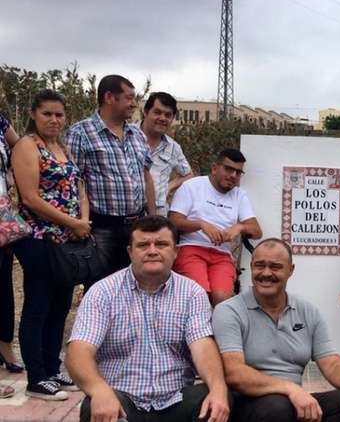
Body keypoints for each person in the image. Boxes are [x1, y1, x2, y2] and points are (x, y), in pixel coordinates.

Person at [65, 216, 230, 422]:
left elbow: (202, 347)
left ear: (175, 251)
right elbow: (79, 351)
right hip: (122, 401)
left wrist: (218, 388)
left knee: (213, 401)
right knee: (94, 406)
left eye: (161, 244)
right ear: (130, 252)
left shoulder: (192, 293)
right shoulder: (103, 292)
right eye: (143, 245)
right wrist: (99, 390)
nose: (152, 251)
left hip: (175, 400)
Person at [212, 238, 340, 422]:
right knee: (279, 408)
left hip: (293, 402)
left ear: (291, 270)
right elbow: (234, 372)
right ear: (251, 266)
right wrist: (290, 389)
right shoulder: (229, 311)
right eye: (259, 265)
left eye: (275, 267)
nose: (266, 273)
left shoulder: (307, 311)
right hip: (249, 402)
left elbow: (331, 363)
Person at [10, 90, 88, 400]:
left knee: (60, 307)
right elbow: (30, 198)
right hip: (38, 238)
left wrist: (83, 221)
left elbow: (79, 188)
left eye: (59, 114)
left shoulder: (61, 146)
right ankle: (37, 377)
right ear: (33, 114)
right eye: (47, 114)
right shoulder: (27, 146)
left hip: (66, 242)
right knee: (38, 306)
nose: (54, 120)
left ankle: (53, 369)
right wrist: (72, 223)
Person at [65, 74, 156, 280]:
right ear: (109, 97)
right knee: (100, 285)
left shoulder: (137, 134)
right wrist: (78, 223)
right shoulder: (80, 133)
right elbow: (73, 183)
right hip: (102, 228)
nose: (134, 104)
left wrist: (152, 219)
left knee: (134, 284)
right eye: (129, 98)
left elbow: (146, 176)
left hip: (137, 226)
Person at [169, 148, 262, 306]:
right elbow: (173, 221)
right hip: (191, 248)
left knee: (223, 300)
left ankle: (220, 323)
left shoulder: (239, 195)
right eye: (228, 169)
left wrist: (239, 227)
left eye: (238, 172)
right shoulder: (192, 186)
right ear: (214, 168)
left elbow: (256, 231)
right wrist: (201, 224)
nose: (233, 175)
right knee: (200, 296)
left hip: (221, 254)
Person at [140, 91, 193, 217]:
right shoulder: (127, 135)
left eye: (168, 115)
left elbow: (188, 174)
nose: (163, 118)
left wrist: (170, 186)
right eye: (157, 112)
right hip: (128, 212)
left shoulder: (173, 147)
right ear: (146, 112)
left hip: (158, 214)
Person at [0, 110, 21, 396]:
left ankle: (4, 346)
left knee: (3, 287)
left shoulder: (1, 121)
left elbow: (20, 146)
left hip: (3, 217)